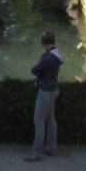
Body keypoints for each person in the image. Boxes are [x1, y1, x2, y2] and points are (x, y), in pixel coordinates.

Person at [26, 30, 62, 160]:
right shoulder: (57, 54)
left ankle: (36, 152)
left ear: (43, 42)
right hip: (54, 89)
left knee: (39, 119)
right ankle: (51, 148)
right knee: (50, 119)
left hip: (45, 91)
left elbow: (35, 70)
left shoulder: (47, 58)